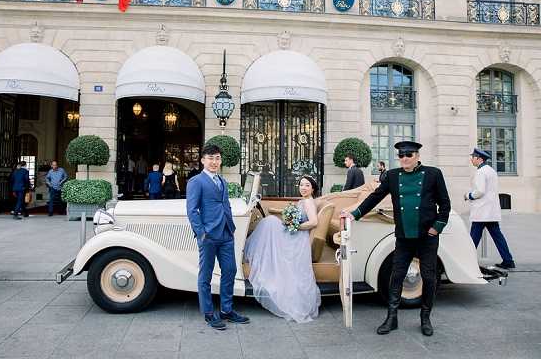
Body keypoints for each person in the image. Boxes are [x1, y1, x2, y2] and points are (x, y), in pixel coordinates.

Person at [340, 141, 450, 337]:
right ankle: (392, 318)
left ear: (417, 156)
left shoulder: (433, 174)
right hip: (403, 235)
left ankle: (425, 318)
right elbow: (375, 197)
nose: (404, 159)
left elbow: (445, 204)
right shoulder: (392, 176)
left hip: (427, 236)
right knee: (396, 276)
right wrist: (354, 214)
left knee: (429, 277)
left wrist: (437, 227)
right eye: (401, 155)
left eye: (409, 155)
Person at [186, 144, 250, 330]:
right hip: (208, 235)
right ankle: (208, 313)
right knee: (205, 275)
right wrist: (201, 233)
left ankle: (226, 310)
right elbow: (192, 210)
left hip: (226, 233)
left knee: (229, 271)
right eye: (211, 158)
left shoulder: (222, 180)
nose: (214, 162)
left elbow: (225, 204)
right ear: (203, 160)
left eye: (217, 158)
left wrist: (230, 227)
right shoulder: (196, 181)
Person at [244, 175, 322, 323]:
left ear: (313, 188)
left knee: (269, 222)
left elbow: (313, 222)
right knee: (270, 222)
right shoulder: (303, 201)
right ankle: (252, 254)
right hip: (295, 233)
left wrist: (295, 226)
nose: (303, 188)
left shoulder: (309, 203)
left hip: (298, 237)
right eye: (301, 185)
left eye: (307, 185)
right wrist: (289, 221)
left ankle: (248, 254)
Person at [465, 148, 515, 270]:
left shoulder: (481, 172)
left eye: (473, 157)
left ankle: (466, 261)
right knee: (498, 237)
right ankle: (508, 260)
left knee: (473, 238)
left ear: (479, 159)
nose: (471, 159)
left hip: (482, 211)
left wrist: (468, 195)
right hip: (490, 211)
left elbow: (480, 191)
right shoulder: (491, 170)